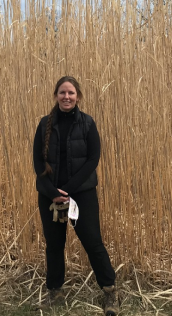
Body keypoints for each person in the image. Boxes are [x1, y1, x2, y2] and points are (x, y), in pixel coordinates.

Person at [33, 76, 118, 316]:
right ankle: (55, 291)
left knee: (93, 242)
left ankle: (110, 291)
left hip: (81, 195)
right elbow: (38, 161)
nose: (66, 97)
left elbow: (93, 159)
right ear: (56, 95)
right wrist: (52, 193)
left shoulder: (88, 123)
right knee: (54, 245)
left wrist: (68, 190)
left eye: (71, 93)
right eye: (62, 93)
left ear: (78, 96)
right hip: (50, 196)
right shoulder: (44, 124)